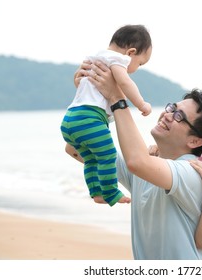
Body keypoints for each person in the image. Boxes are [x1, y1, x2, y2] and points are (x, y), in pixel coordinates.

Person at [68, 61, 202, 259]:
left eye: (179, 116)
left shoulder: (193, 173)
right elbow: (77, 148)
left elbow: (137, 161)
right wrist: (88, 98)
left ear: (195, 140)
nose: (168, 115)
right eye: (172, 108)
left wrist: (117, 97)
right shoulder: (148, 166)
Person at [61, 24, 152, 206]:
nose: (136, 68)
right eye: (140, 63)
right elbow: (125, 83)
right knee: (108, 155)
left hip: (70, 119)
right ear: (130, 53)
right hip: (90, 119)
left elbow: (80, 81)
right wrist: (141, 103)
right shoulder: (117, 59)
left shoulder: (94, 57)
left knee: (92, 159)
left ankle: (96, 192)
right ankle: (110, 193)